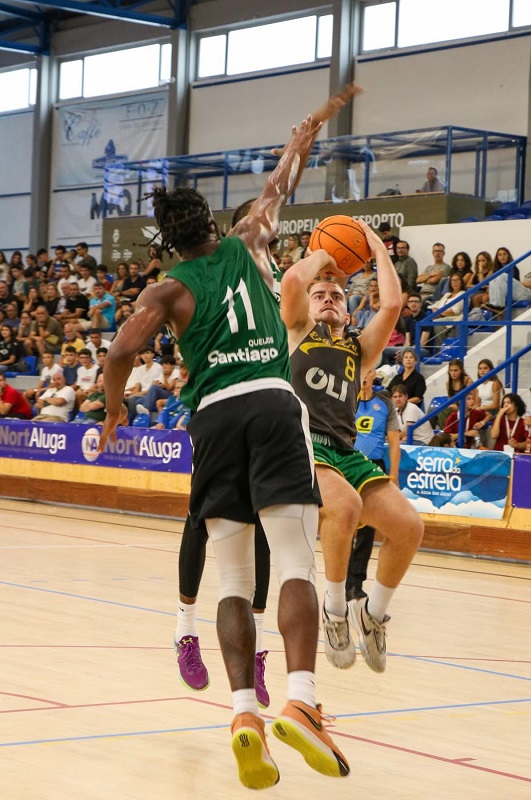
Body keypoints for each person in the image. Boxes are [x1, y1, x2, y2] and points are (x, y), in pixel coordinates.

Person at [99, 108, 356, 790]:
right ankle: (300, 699)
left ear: (168, 243)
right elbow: (277, 188)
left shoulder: (168, 288)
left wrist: (116, 405)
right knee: (296, 560)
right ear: (211, 226)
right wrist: (300, 141)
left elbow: (123, 349)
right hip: (273, 404)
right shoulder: (247, 243)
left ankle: (245, 714)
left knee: (235, 580)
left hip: (212, 420)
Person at [283, 216, 424, 676]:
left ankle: (373, 614)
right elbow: (292, 281)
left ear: (347, 313)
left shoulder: (359, 350)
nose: (326, 298)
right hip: (301, 444)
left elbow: (392, 304)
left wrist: (373, 247)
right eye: (319, 294)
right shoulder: (298, 330)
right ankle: (336, 609)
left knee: (409, 525)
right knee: (342, 508)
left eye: (336, 296)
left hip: (344, 450)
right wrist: (325, 256)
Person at [346, 368, 401, 601]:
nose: (365, 377)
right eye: (362, 373)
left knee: (367, 528)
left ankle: (356, 582)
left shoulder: (385, 405)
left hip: (374, 467)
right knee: (345, 524)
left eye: (369, 373)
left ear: (374, 376)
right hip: (348, 463)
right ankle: (340, 581)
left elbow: (395, 442)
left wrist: (394, 476)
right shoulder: (347, 399)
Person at [486, 247, 531, 312]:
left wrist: (519, 283)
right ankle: (493, 303)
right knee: (494, 277)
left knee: (502, 275)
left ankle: (499, 305)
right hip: (523, 291)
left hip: (529, 294)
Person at [476, 358, 504, 447]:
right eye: (480, 368)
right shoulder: (478, 385)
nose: (482, 371)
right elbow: (477, 403)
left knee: (487, 412)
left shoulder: (495, 383)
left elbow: (496, 405)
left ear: (491, 370)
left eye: (485, 368)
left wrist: (481, 408)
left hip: (494, 411)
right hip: (483, 410)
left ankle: (482, 423)